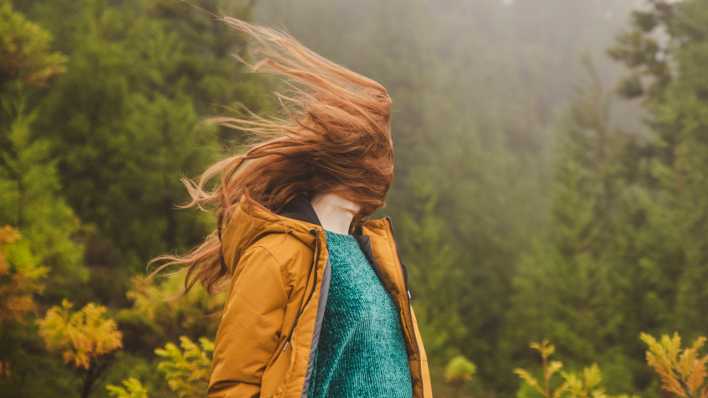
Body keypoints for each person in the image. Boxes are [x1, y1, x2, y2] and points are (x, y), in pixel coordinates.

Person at [152, 15, 432, 398]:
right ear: (349, 165)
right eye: (377, 160)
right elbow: (236, 382)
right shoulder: (277, 254)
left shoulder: (375, 257)